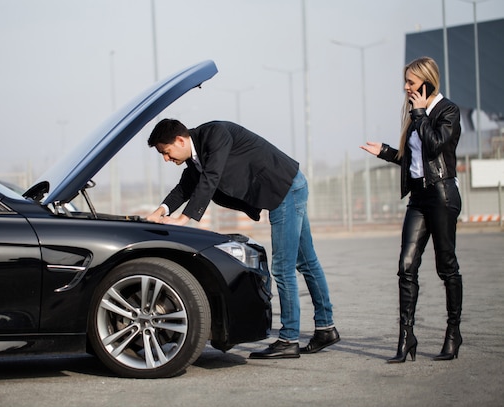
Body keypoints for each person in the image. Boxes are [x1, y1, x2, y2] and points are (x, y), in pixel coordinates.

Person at [146, 118, 340, 359]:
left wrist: (183, 219)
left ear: (180, 140)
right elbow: (185, 187)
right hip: (288, 187)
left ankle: (289, 339)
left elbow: (211, 176)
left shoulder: (215, 135)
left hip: (283, 190)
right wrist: (159, 212)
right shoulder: (195, 156)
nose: (166, 159)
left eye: (166, 152)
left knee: (282, 268)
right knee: (307, 263)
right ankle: (326, 328)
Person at [360, 56, 463, 363]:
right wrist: (387, 152)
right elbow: (413, 159)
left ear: (427, 82)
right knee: (406, 266)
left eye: (410, 82)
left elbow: (435, 148)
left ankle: (453, 333)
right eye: (405, 82)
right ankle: (407, 337)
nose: (405, 88)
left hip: (443, 195)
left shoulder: (448, 111)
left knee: (447, 267)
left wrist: (420, 116)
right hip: (418, 197)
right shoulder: (413, 115)